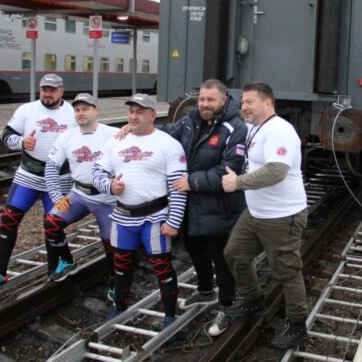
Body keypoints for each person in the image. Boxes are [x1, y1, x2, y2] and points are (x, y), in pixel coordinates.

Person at [221, 82, 309, 349]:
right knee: (235, 254)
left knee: (287, 271)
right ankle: (253, 300)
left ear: (268, 102)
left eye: (250, 102)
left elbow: (276, 172)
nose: (243, 106)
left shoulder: (280, 130)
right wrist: (127, 130)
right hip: (256, 213)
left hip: (282, 216)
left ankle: (297, 325)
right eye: (242, 102)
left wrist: (238, 183)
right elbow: (220, 121)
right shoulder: (254, 128)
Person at [92, 93, 188, 331]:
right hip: (122, 217)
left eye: (140, 112)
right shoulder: (115, 141)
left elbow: (178, 186)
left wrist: (174, 221)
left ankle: (169, 316)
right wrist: (109, 186)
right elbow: (97, 173)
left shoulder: (168, 144)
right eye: (131, 112)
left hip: (154, 217)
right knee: (121, 265)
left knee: (162, 267)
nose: (134, 116)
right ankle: (119, 307)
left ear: (152, 115)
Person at [160, 79, 246, 336]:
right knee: (194, 247)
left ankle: (227, 305)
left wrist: (192, 181)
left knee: (221, 257)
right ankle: (206, 291)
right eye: (202, 99)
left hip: (220, 207)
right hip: (193, 204)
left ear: (223, 100)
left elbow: (228, 170)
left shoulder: (235, 128)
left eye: (211, 100)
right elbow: (164, 134)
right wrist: (132, 130)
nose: (205, 104)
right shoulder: (190, 121)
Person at [0, 74, 76, 289]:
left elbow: (89, 136)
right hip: (28, 174)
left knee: (52, 225)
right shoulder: (26, 110)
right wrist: (22, 142)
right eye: (44, 90)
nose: (47, 94)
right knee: (8, 219)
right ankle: (0, 273)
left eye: (52, 90)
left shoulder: (72, 113)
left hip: (59, 177)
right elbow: (6, 136)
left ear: (61, 91)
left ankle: (54, 270)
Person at [43, 93, 119, 296]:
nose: (81, 113)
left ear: (96, 111)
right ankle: (68, 261)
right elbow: (51, 167)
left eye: (85, 109)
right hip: (80, 194)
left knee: (112, 245)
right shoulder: (66, 137)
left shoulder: (113, 134)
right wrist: (57, 197)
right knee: (51, 223)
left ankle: (115, 284)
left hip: (107, 199)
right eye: (77, 110)